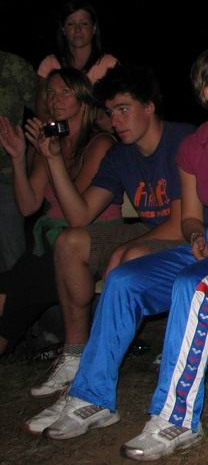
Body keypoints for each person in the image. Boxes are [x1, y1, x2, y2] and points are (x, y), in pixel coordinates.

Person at [30, 48, 208, 462]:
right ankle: (91, 397)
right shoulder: (193, 147)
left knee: (195, 286)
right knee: (123, 280)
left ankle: (177, 420)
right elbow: (189, 216)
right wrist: (195, 233)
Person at [24, 64, 192, 403]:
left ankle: (100, 365)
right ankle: (75, 354)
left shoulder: (181, 140)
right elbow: (79, 216)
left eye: (124, 109)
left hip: (194, 232)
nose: (115, 121)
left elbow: (180, 223)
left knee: (128, 255)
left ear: (149, 106)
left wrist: (124, 249)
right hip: (152, 229)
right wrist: (52, 160)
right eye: (111, 112)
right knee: (69, 242)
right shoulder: (120, 154)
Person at [0, 69, 119, 356]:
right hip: (49, 245)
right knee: (10, 287)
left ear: (83, 99)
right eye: (51, 93)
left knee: (13, 294)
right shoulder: (52, 144)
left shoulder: (101, 144)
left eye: (65, 92)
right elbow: (28, 205)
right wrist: (18, 158)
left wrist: (52, 159)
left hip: (89, 244)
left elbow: (75, 215)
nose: (55, 99)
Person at [35, 0, 118, 128]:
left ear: (94, 28)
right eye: (71, 24)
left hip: (98, 132)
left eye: (84, 23)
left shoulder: (109, 64)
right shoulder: (50, 64)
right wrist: (59, 129)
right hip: (61, 132)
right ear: (63, 29)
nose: (78, 29)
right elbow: (42, 108)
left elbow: (119, 106)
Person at [0, 50, 37, 272]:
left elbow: (44, 111)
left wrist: (31, 156)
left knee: (13, 260)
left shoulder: (13, 66)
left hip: (7, 175)